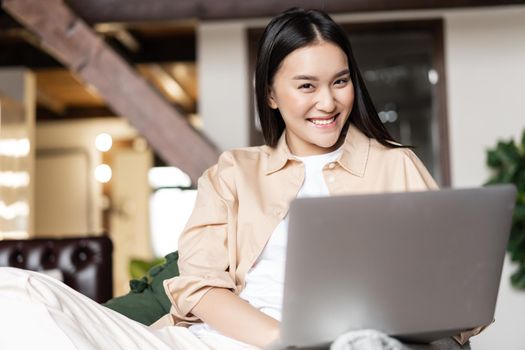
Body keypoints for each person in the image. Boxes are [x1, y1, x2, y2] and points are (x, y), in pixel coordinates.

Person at [0, 7, 479, 350]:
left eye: (340, 81)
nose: (329, 102)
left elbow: (452, 297)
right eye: (306, 86)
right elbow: (199, 288)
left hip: (353, 341)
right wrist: (283, 339)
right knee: (14, 291)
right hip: (225, 340)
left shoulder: (394, 165)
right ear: (271, 94)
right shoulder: (233, 172)